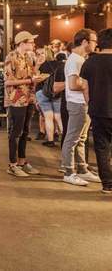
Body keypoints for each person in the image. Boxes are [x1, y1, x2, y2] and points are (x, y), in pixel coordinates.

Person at [62, 29, 101, 186]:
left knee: (81, 139)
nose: (95, 45)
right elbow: (72, 84)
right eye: (93, 41)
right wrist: (90, 84)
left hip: (83, 104)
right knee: (72, 138)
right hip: (77, 103)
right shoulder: (75, 60)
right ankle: (68, 172)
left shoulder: (80, 59)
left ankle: (82, 169)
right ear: (84, 42)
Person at [3, 31, 45, 178]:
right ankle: (12, 164)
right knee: (15, 132)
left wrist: (38, 65)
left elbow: (32, 75)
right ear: (22, 43)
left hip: (29, 98)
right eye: (31, 42)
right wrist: (30, 81)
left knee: (25, 132)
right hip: (16, 99)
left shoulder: (29, 57)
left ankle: (22, 161)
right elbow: (8, 81)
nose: (34, 44)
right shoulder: (11, 57)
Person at [80, 28, 112, 194]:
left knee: (102, 147)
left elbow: (84, 87)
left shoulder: (90, 62)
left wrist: (90, 103)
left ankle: (107, 184)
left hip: (98, 110)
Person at [36, 46, 65, 147]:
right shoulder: (61, 64)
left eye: (41, 54)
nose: (39, 56)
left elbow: (35, 79)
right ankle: (65, 140)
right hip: (57, 92)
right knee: (58, 116)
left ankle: (50, 140)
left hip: (42, 93)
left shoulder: (41, 66)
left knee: (48, 117)